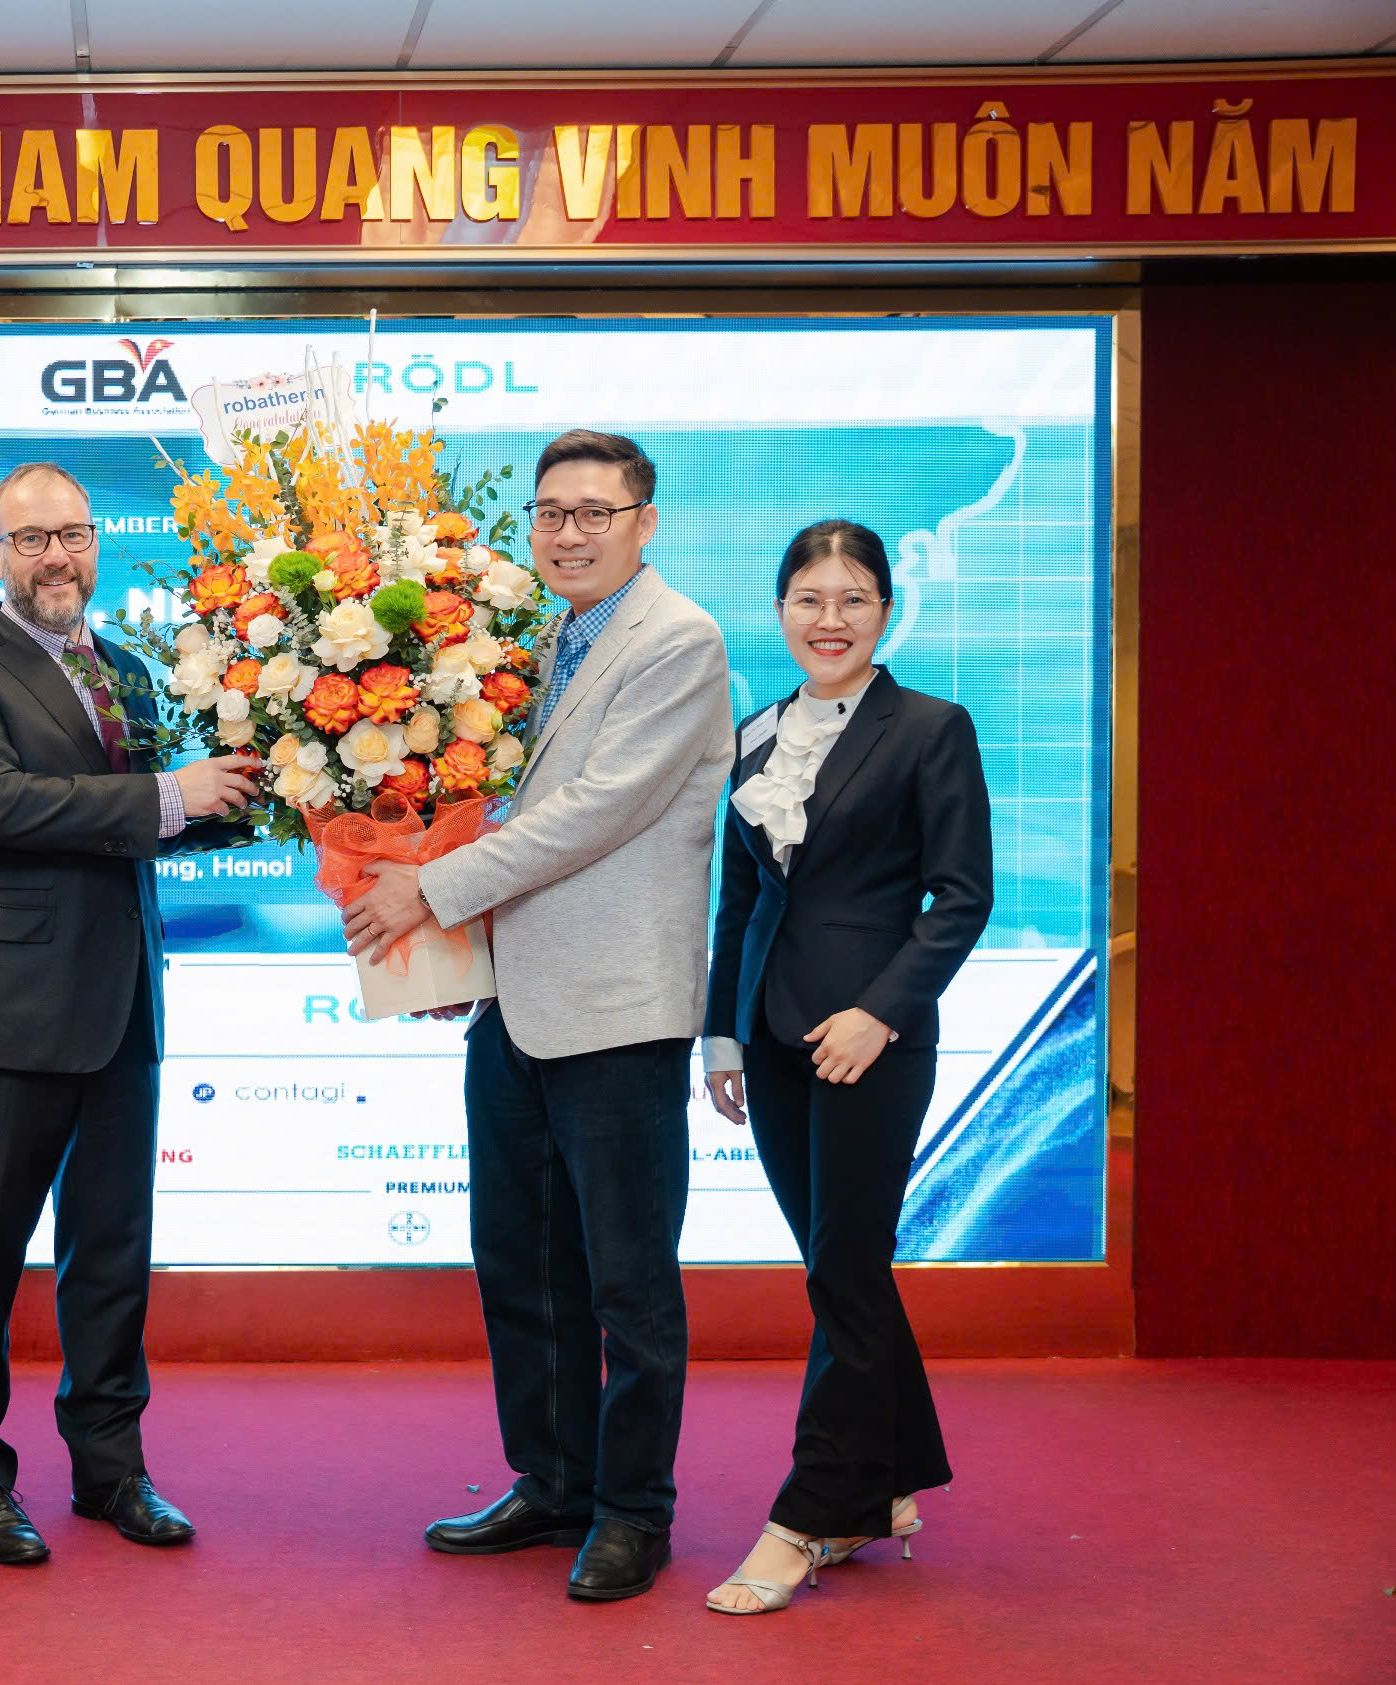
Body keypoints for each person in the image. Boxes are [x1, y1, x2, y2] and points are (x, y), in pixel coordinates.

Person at [343, 429, 732, 1603]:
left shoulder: (678, 639)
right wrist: (460, 954)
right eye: (551, 512)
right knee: (521, 1264)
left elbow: (598, 812)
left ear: (643, 522)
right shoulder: (543, 640)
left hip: (617, 1011)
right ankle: (553, 1480)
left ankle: (633, 1510)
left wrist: (430, 895)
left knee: (626, 1281)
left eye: (594, 512)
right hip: (513, 1005)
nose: (568, 533)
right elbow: (503, 808)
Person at [0, 461, 263, 1566]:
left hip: (121, 1008)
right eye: (31, 539)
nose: (55, 556)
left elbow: (149, 824)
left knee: (111, 1258)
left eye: (72, 534)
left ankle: (112, 1470)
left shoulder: (130, 673)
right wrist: (172, 794)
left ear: (95, 543)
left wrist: (279, 784)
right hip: (2, 1013)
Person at [697, 519, 992, 1614]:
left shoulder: (931, 728)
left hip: (872, 1042)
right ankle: (885, 1480)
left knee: (844, 1270)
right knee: (840, 1273)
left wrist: (880, 1013)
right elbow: (740, 898)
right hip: (770, 1035)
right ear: (780, 610)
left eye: (853, 598)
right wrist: (721, 1031)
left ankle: (810, 1513)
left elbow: (961, 898)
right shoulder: (756, 733)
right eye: (809, 599)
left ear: (885, 612)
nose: (830, 619)